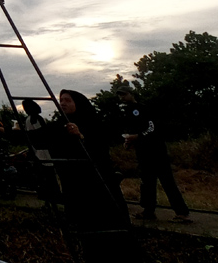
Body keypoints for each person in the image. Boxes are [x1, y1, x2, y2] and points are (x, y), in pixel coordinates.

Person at [50, 89, 136, 262]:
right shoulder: (61, 125)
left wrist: (81, 136)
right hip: (76, 188)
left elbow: (99, 149)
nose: (63, 103)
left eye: (67, 100)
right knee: (87, 234)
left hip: (98, 187)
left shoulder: (92, 123)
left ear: (78, 103)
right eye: (61, 100)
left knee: (108, 230)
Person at [117, 86, 191, 223]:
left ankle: (182, 213)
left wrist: (138, 137)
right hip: (143, 153)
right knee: (147, 182)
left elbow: (152, 128)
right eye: (120, 95)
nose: (122, 97)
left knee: (167, 181)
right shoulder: (126, 112)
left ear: (131, 94)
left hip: (157, 151)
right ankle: (148, 211)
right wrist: (129, 142)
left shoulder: (144, 108)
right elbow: (131, 131)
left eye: (124, 94)